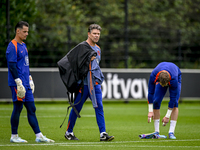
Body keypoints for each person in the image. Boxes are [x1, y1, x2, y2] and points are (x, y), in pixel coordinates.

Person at [63, 24, 114, 141]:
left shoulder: (98, 49)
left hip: (95, 84)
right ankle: (68, 132)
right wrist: (86, 61)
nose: (96, 36)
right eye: (94, 33)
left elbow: (96, 66)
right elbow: (73, 63)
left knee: (99, 107)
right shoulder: (82, 47)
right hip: (83, 85)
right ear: (89, 34)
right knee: (76, 108)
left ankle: (103, 133)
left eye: (98, 34)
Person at [6, 21, 54, 143]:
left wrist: (30, 78)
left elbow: (25, 64)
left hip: (26, 83)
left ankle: (39, 136)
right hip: (18, 84)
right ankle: (14, 136)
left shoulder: (24, 45)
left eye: (27, 31)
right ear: (18, 31)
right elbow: (12, 66)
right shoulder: (13, 46)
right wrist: (18, 81)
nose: (27, 33)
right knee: (18, 107)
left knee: (31, 108)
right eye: (24, 31)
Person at [147, 62, 182, 139]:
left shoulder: (174, 79)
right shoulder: (154, 75)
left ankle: (171, 132)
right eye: (161, 84)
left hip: (175, 73)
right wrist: (150, 110)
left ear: (168, 82)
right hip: (162, 73)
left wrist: (167, 116)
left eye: (164, 84)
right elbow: (150, 92)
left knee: (175, 103)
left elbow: (172, 99)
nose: (163, 86)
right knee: (156, 101)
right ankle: (156, 131)